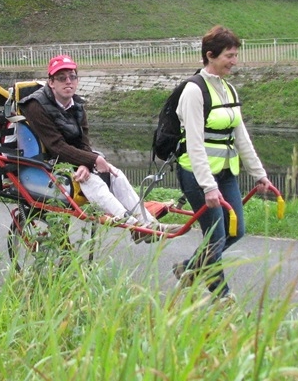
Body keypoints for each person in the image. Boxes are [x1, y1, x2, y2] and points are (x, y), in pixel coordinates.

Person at [18, 55, 183, 244]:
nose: (68, 82)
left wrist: (87, 163)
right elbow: (56, 145)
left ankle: (146, 223)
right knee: (92, 182)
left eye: (72, 77)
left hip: (70, 160)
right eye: (61, 78)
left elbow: (84, 142)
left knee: (116, 174)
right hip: (46, 162)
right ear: (51, 82)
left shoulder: (77, 105)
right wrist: (92, 161)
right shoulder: (35, 106)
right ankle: (131, 224)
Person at [174, 25, 271, 304]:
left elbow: (241, 136)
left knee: (235, 231)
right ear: (210, 55)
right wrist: (207, 186)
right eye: (229, 55)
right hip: (198, 176)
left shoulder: (229, 89)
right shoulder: (194, 91)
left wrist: (259, 174)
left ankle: (188, 268)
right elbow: (193, 144)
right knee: (215, 237)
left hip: (227, 174)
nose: (234, 61)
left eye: (235, 55)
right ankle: (222, 298)